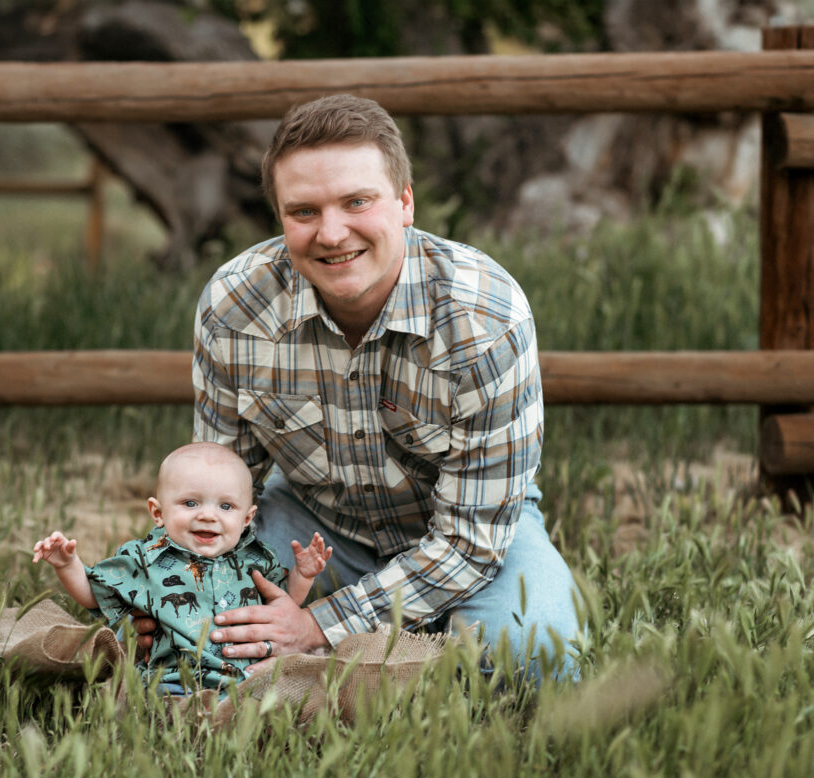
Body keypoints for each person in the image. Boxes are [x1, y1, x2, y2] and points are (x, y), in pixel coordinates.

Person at [191, 93, 581, 683]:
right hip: (312, 526)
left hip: (467, 535)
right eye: (303, 212)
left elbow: (472, 544)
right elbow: (215, 489)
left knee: (537, 657)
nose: (331, 232)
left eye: (356, 202)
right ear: (280, 217)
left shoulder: (485, 317)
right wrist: (169, 584)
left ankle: (371, 647)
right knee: (195, 634)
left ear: (404, 202)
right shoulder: (234, 306)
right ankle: (390, 654)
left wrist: (320, 624)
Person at [32, 441, 332, 691]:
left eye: (225, 506)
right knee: (164, 705)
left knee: (286, 695)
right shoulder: (145, 559)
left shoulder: (256, 559)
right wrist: (68, 564)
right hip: (174, 680)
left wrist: (302, 576)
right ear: (157, 512)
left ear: (247, 519)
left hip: (248, 679)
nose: (208, 516)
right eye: (191, 503)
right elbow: (93, 594)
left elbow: (282, 606)